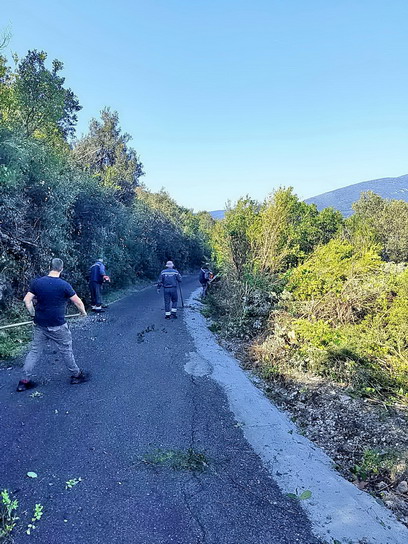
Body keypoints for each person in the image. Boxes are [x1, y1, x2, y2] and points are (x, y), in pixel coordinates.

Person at [16, 258, 88, 392]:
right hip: (58, 325)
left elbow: (27, 300)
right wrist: (83, 312)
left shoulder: (38, 283)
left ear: (49, 267)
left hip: (40, 324)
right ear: (61, 269)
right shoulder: (64, 285)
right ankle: (76, 375)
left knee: (34, 351)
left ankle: (24, 382)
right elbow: (78, 302)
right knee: (66, 350)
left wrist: (33, 315)